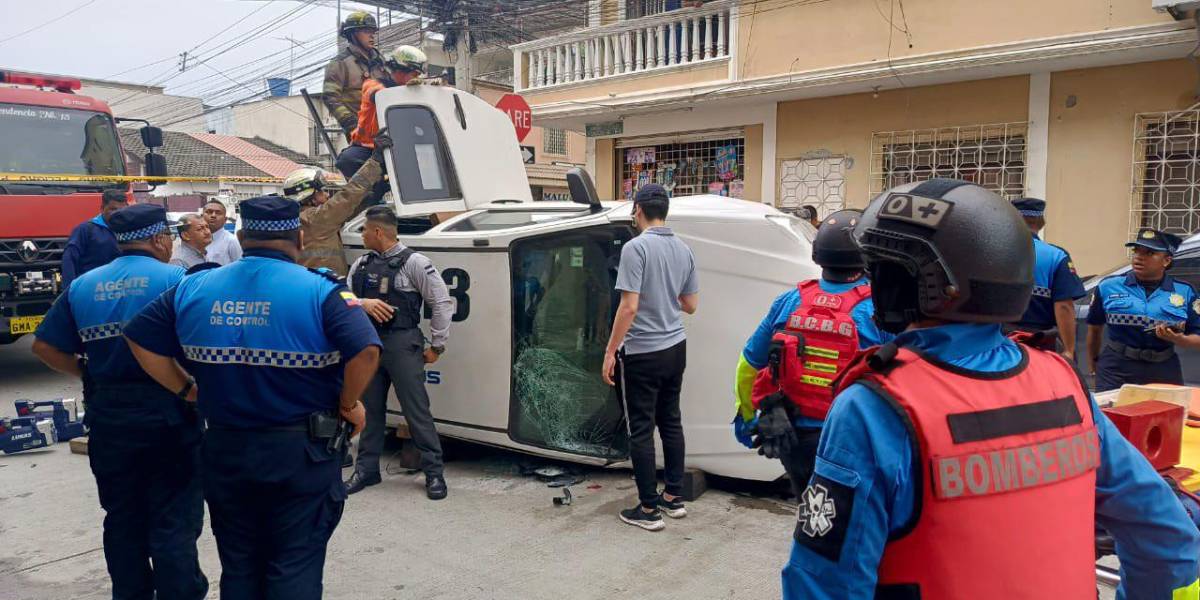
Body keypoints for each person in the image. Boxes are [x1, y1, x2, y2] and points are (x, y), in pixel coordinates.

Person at [784, 179, 1200, 599]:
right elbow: (1165, 536)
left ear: (907, 285)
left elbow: (824, 584)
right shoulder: (1062, 382)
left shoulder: (876, 406)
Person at [123, 196, 381, 599]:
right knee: (294, 561)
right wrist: (349, 404)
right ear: (299, 236)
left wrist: (186, 388)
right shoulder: (320, 290)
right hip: (300, 453)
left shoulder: (195, 285)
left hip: (226, 448)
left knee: (240, 563)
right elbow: (365, 350)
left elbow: (138, 336)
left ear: (242, 236)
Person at [31, 204, 207, 600]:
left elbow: (44, 346)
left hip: (109, 415)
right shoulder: (178, 279)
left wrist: (86, 371)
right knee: (173, 518)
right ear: (161, 239)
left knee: (123, 519)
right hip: (170, 411)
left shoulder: (83, 286)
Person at [732, 209, 892, 498]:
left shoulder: (789, 301)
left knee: (809, 512)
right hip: (850, 437)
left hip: (792, 437)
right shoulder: (877, 310)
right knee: (846, 520)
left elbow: (748, 364)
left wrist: (746, 417)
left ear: (818, 255)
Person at [601, 183, 699, 531]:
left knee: (640, 429)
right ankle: (673, 497)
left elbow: (629, 307)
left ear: (638, 210)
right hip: (676, 347)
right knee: (670, 420)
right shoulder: (684, 249)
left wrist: (611, 350)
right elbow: (690, 304)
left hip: (644, 351)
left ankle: (648, 509)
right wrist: (665, 296)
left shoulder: (635, 248)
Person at [344, 206, 454, 499]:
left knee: (416, 411)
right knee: (370, 411)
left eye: (365, 229)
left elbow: (441, 303)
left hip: (403, 344)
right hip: (369, 345)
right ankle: (367, 470)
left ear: (378, 232)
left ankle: (434, 473)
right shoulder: (361, 264)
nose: (362, 235)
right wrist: (362, 303)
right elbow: (342, 297)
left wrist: (437, 346)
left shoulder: (415, 263)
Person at [1086, 228, 1200, 392]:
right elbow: (1094, 329)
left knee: (1166, 415)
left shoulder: (1185, 292)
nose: (1139, 257)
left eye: (1149, 253)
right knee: (1112, 416)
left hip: (1163, 369)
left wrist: (1181, 340)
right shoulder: (1108, 286)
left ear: (1166, 261)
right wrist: (1094, 366)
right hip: (1116, 368)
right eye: (1136, 251)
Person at [335, 44, 428, 206]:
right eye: (415, 72)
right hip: (367, 148)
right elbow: (378, 95)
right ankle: (370, 196)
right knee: (346, 160)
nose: (417, 77)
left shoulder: (413, 92)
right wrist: (406, 92)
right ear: (401, 69)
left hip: (394, 148)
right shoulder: (373, 85)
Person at [284, 131, 389, 275]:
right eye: (321, 191)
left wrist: (375, 193)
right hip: (325, 288)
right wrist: (375, 161)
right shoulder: (315, 219)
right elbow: (348, 195)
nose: (327, 194)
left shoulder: (298, 220)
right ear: (309, 196)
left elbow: (348, 209)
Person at [1009, 197, 1086, 358]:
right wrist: (1069, 350)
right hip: (1037, 340)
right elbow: (1064, 306)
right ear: (1041, 222)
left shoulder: (992, 249)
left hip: (995, 336)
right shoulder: (1055, 255)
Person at [322, 11, 388, 141]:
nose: (371, 36)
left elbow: (394, 87)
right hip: (361, 135)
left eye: (372, 32)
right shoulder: (339, 64)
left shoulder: (381, 62)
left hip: (386, 129)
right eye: (365, 31)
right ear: (352, 34)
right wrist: (351, 124)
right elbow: (331, 98)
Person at [61, 189, 126, 289]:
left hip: (120, 289)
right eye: (113, 209)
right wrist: (68, 292)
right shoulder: (85, 230)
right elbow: (69, 260)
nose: (117, 214)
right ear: (102, 208)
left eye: (121, 210)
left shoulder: (129, 231)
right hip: (90, 289)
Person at [203, 199, 242, 265]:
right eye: (209, 212)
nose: (213, 215)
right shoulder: (195, 240)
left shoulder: (232, 241)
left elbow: (240, 268)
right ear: (201, 216)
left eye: (218, 213)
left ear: (225, 219)